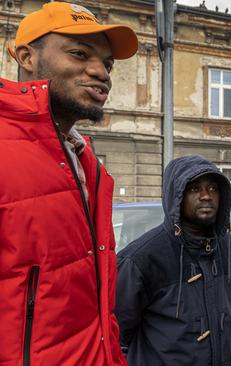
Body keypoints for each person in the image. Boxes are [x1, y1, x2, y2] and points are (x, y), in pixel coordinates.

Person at [0, 2, 138, 365]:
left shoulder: (88, 164)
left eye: (107, 64)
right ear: (28, 57)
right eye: (79, 54)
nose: (101, 73)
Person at [116, 155, 231, 365]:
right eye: (195, 189)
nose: (206, 196)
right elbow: (117, 336)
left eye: (213, 188)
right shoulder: (141, 258)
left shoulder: (230, 248)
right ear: (176, 197)